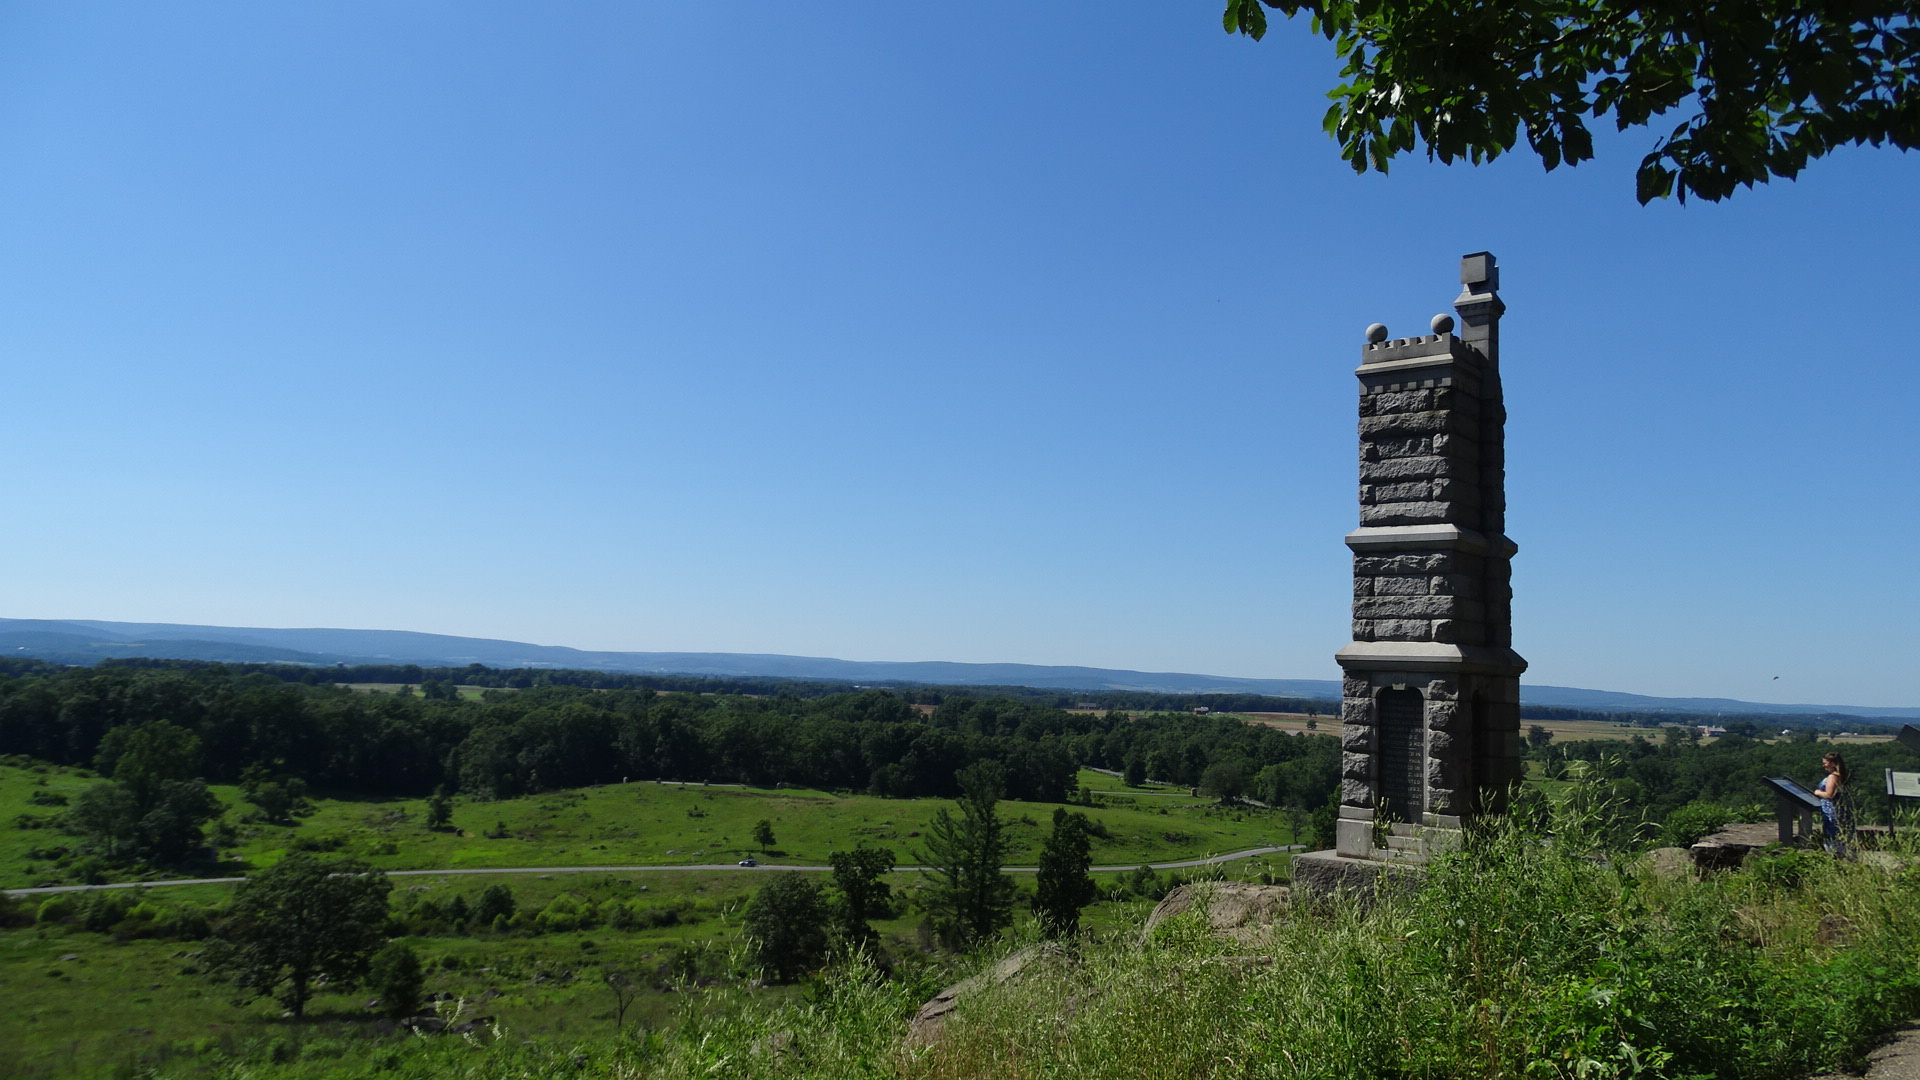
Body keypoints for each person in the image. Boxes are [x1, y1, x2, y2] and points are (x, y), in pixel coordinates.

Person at [1812, 751, 1854, 856]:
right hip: (1842, 810)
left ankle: (1836, 855)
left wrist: (1818, 792)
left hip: (1832, 810)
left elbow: (1830, 794)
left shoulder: (1833, 777)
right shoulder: (1843, 775)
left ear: (1832, 763)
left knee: (1833, 836)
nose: (1824, 765)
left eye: (1825, 763)